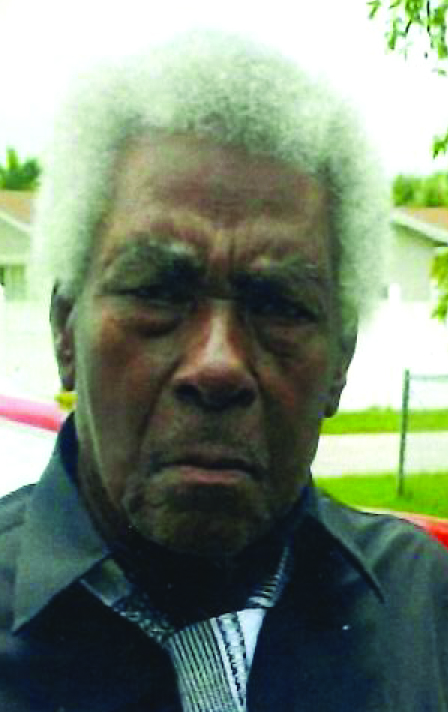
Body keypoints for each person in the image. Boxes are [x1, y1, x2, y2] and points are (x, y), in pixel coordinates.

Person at [1, 31, 447, 712]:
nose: (218, 364)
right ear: (65, 329)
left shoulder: (423, 612)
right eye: (157, 291)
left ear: (341, 361)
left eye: (279, 305)